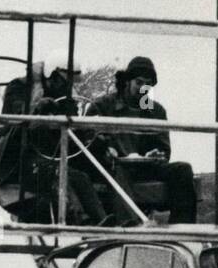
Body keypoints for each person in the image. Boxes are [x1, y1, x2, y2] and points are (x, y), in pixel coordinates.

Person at [0, 52, 103, 224]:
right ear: (52, 75)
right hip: (17, 159)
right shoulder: (18, 88)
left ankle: (104, 221)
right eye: (65, 81)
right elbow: (16, 118)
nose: (68, 87)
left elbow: (69, 132)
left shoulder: (65, 99)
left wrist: (88, 133)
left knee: (82, 176)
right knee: (61, 175)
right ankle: (82, 221)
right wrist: (38, 108)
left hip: (46, 157)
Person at [84, 55, 197, 224]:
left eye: (148, 85)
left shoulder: (154, 110)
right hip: (113, 167)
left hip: (145, 167)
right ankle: (131, 225)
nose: (142, 89)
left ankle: (181, 231)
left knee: (183, 170)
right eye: (139, 82)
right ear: (127, 81)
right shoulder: (102, 106)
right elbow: (87, 141)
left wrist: (157, 154)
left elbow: (164, 149)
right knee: (117, 171)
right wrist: (105, 149)